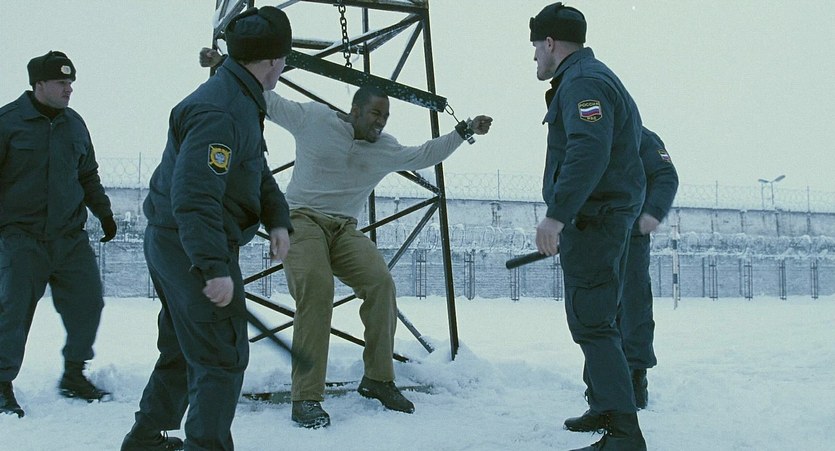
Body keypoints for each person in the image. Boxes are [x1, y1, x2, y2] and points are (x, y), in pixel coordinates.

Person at [200, 46, 493, 428]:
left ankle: (378, 379)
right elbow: (270, 102)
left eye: (385, 116)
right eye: (375, 114)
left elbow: (425, 154)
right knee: (317, 288)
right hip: (301, 219)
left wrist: (463, 130)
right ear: (355, 110)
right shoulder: (316, 119)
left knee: (380, 283)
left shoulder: (384, 148)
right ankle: (306, 397)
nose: (380, 123)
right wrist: (225, 64)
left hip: (343, 229)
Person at [120, 7, 293, 450]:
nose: (284, 66)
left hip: (178, 241)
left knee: (185, 346)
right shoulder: (221, 109)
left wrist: (277, 218)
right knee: (221, 355)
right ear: (272, 61)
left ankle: (145, 439)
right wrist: (213, 266)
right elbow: (195, 196)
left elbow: (253, 168)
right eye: (284, 59)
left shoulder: (239, 97)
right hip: (191, 246)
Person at [529, 3, 648, 450]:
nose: (534, 57)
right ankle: (604, 405)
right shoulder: (590, 77)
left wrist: (556, 215)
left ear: (550, 43)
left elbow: (589, 149)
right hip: (604, 217)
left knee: (593, 322)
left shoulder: (583, 82)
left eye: (536, 47)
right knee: (598, 316)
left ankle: (624, 433)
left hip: (595, 220)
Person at [0, 51, 117, 418]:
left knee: (88, 303)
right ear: (39, 85)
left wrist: (104, 213)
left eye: (71, 83)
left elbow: (88, 174)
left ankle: (73, 374)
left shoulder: (75, 124)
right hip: (21, 238)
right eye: (61, 83)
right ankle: (1, 382)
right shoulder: (8, 123)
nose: (69, 89)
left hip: (69, 237)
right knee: (12, 312)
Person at [564, 127, 679, 433]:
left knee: (633, 304)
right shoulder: (591, 138)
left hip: (630, 234)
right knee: (596, 311)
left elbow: (666, 176)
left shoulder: (641, 137)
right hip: (593, 234)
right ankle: (599, 394)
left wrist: (649, 216)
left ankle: (635, 378)